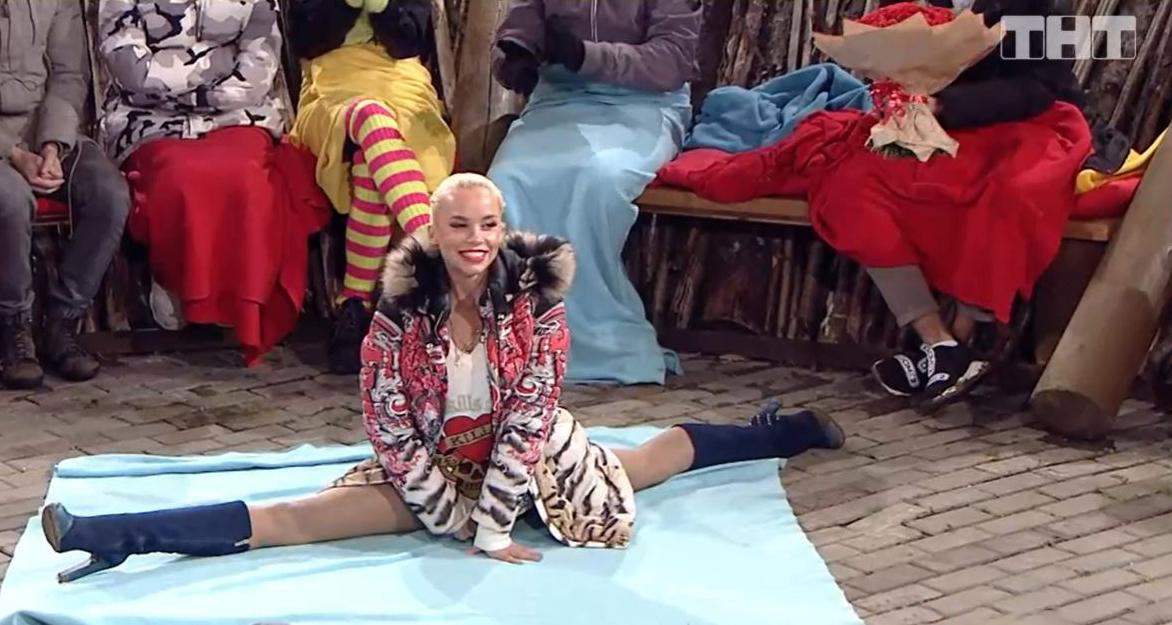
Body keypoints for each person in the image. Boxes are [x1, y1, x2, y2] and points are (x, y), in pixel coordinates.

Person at [40, 174, 844, 582]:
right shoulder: (396, 314)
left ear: (503, 228)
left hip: (533, 458)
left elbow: (532, 415)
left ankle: (780, 433)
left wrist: (491, 525)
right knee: (300, 517)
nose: (476, 239)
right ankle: (112, 537)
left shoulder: (537, 303)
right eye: (459, 224)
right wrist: (443, 510)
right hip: (437, 466)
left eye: (489, 224)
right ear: (433, 230)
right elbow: (389, 425)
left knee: (648, 459)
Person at [861, 0, 1087, 405]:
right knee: (855, 182)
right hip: (939, 126)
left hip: (1030, 122)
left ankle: (966, 335)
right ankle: (935, 340)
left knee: (1009, 192)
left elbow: (1041, 86)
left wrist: (945, 105)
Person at [98, 0, 330, 366]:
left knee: (249, 180)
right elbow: (132, 72)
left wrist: (187, 81)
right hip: (152, 122)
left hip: (237, 117)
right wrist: (217, 65)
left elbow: (258, 69)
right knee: (180, 179)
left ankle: (241, 301)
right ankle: (177, 281)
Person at [486, 0, 701, 385]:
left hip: (642, 104)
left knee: (598, 180)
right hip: (559, 101)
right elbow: (521, 26)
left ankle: (602, 342)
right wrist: (515, 55)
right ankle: (521, 339)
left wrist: (586, 56)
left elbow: (672, 60)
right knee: (507, 182)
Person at [287, 0, 456, 374]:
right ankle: (439, 251)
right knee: (371, 114)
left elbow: (409, 42)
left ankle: (355, 304)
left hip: (404, 89)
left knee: (370, 164)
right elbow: (306, 41)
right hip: (330, 90)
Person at [0, 0, 132, 389]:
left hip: (41, 129)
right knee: (10, 201)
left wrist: (52, 146)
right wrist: (13, 154)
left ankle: (61, 323)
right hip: (6, 144)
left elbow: (68, 75)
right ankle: (13, 329)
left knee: (108, 195)